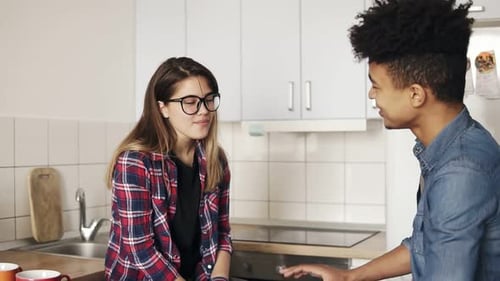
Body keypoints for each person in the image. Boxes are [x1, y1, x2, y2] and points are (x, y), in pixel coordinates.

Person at [280, 0, 500, 280]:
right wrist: (348, 276)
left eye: (376, 84)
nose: (372, 95)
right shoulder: (451, 146)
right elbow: (426, 246)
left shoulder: (461, 170)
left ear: (416, 94)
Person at [104, 57, 232, 281]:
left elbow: (221, 234)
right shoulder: (135, 162)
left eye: (209, 100)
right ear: (162, 107)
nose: (204, 111)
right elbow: (141, 249)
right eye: (190, 102)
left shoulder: (215, 160)